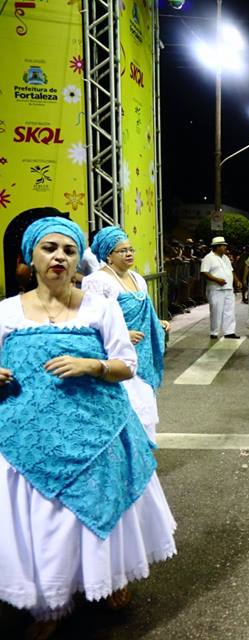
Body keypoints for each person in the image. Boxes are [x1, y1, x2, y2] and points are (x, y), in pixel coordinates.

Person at [0, 217, 176, 633]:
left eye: (69, 250)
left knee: (95, 509)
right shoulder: (5, 312)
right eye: (49, 248)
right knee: (44, 518)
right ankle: (50, 603)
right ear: (30, 257)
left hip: (97, 429)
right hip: (26, 436)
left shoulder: (99, 307)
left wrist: (92, 365)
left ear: (78, 259)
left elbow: (126, 364)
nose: (59, 257)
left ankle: (107, 578)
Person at [83, 227, 169, 444]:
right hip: (116, 354)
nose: (129, 254)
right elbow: (91, 320)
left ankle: (144, 450)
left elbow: (146, 310)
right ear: (108, 255)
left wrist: (157, 322)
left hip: (142, 353)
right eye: (122, 251)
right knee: (126, 404)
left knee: (145, 402)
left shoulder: (138, 278)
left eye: (130, 249)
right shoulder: (96, 281)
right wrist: (121, 334)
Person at [200, 236, 240, 339]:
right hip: (216, 289)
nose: (225, 248)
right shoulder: (208, 258)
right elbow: (204, 272)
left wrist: (236, 281)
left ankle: (229, 332)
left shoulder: (225, 258)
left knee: (229, 311)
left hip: (228, 288)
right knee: (216, 311)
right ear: (217, 247)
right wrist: (217, 280)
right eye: (223, 246)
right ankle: (214, 332)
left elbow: (231, 271)